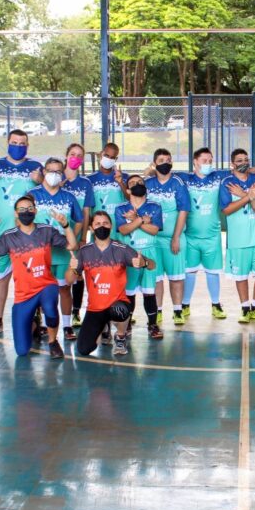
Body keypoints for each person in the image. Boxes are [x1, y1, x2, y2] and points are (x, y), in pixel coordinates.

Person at [0, 194, 78, 359]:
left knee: (51, 311)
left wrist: (66, 225)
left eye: (30, 209)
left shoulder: (46, 231)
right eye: (22, 209)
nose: (26, 212)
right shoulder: (8, 237)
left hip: (46, 285)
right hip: (24, 294)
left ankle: (53, 342)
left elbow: (72, 245)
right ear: (16, 214)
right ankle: (34, 321)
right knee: (22, 350)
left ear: (35, 211)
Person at [0, 128, 43, 337]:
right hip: (1, 232)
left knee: (33, 277)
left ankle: (34, 319)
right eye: (15, 142)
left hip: (28, 232)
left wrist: (40, 180)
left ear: (27, 145)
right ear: (8, 142)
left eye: (22, 144)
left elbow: (45, 193)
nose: (18, 147)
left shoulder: (34, 167)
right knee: (1, 277)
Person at [68, 211, 156, 356]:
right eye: (97, 224)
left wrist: (144, 262)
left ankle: (120, 337)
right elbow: (70, 280)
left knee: (120, 310)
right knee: (84, 349)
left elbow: (153, 265)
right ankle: (105, 327)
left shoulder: (121, 249)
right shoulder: (84, 252)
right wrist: (72, 268)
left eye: (105, 223)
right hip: (95, 308)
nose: (101, 226)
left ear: (110, 226)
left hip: (116, 304)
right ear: (91, 228)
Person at [28, 158, 84, 342]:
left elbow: (80, 220)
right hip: (39, 254)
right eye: (50, 170)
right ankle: (45, 324)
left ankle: (67, 326)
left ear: (62, 174)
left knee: (64, 288)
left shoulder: (68, 197)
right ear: (44, 171)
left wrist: (72, 236)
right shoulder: (32, 196)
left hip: (63, 253)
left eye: (58, 171)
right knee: (44, 291)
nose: (53, 174)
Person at [173, 148, 228, 320]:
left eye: (210, 160)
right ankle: (185, 305)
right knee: (189, 272)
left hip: (212, 237)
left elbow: (237, 171)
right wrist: (151, 170)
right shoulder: (185, 179)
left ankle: (216, 304)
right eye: (204, 160)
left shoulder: (217, 177)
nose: (208, 164)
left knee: (213, 272)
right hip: (190, 237)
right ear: (195, 162)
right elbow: (164, 174)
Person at [220, 148, 255, 324]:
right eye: (239, 160)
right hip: (238, 238)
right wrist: (247, 196)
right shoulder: (227, 182)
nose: (243, 163)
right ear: (232, 164)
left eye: (246, 160)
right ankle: (245, 308)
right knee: (241, 276)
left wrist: (247, 196)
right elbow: (226, 210)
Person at [115, 174, 165, 339]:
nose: (137, 184)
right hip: (128, 253)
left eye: (140, 183)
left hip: (149, 252)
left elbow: (155, 230)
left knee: (149, 292)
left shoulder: (155, 206)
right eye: (133, 183)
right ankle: (127, 324)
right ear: (128, 189)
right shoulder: (120, 208)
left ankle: (152, 324)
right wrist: (142, 221)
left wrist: (134, 220)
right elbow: (123, 230)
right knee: (129, 292)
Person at [145, 148, 191, 325]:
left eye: (169, 159)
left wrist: (176, 237)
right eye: (161, 160)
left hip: (174, 238)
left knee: (176, 277)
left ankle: (178, 310)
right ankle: (157, 311)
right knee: (156, 278)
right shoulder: (148, 183)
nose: (165, 163)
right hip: (154, 239)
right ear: (154, 163)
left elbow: (183, 210)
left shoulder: (178, 183)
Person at [61, 143, 94, 329]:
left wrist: (83, 237)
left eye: (79, 155)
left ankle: (75, 312)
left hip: (76, 235)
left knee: (77, 273)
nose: (75, 158)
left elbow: (86, 211)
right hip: (57, 236)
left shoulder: (85, 184)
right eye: (72, 154)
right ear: (66, 156)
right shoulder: (56, 178)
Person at [88, 142, 129, 225]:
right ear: (101, 154)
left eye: (112, 157)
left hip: (120, 225)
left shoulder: (125, 177)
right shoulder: (89, 179)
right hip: (99, 226)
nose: (109, 159)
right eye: (106, 155)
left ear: (116, 159)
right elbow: (87, 207)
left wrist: (121, 183)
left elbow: (131, 198)